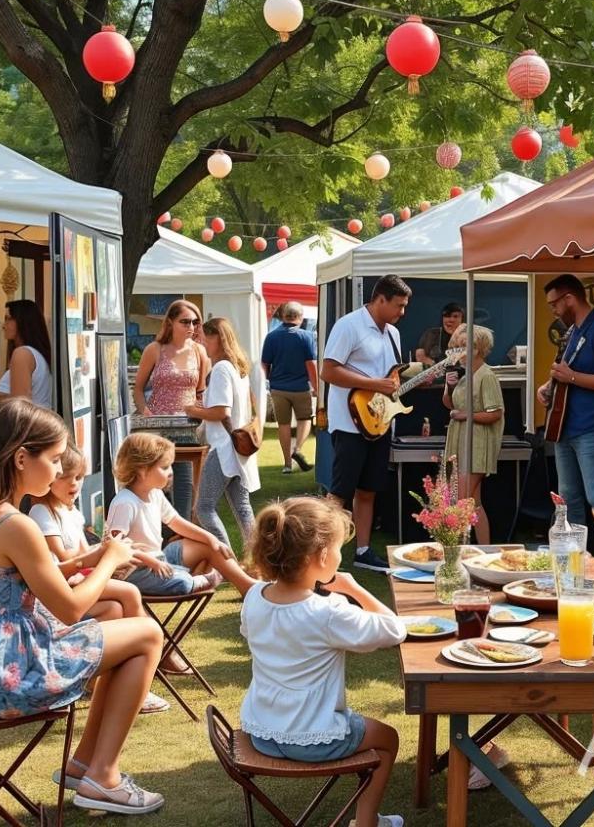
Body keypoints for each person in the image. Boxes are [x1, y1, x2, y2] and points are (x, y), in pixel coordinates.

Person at [0, 399, 165, 815]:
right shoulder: (16, 524)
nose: (60, 471)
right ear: (21, 458)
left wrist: (86, 559)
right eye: (56, 459)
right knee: (148, 634)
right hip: (3, 677)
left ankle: (84, 766)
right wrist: (111, 560)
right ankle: (103, 776)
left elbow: (13, 576)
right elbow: (71, 609)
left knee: (118, 634)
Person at [241, 497, 406, 827]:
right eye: (338, 547)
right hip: (313, 738)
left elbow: (251, 631)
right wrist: (355, 589)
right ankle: (367, 822)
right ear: (321, 556)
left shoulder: (254, 596)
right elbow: (395, 630)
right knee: (388, 739)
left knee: (361, 729)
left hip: (261, 731)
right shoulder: (328, 612)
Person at [27, 443, 170, 714]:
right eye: (65, 477)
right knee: (129, 593)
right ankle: (146, 662)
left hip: (77, 580)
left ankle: (106, 681)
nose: (74, 483)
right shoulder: (41, 512)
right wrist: (105, 553)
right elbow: (65, 556)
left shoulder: (72, 511)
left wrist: (109, 551)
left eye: (79, 477)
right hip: (61, 587)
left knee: (114, 608)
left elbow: (85, 551)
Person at [320, 274, 412, 572]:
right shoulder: (348, 325)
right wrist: (373, 383)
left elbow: (390, 380)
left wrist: (413, 380)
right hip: (349, 423)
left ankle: (362, 551)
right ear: (380, 299)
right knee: (340, 493)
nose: (402, 312)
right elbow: (328, 371)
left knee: (369, 490)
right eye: (398, 305)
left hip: (379, 423)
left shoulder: (393, 334)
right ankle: (320, 553)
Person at [106, 431, 255, 597]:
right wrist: (151, 562)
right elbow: (114, 547)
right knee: (182, 583)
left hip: (160, 559)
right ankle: (194, 580)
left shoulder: (155, 494)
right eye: (164, 467)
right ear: (142, 470)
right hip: (135, 573)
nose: (171, 472)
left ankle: (249, 587)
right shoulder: (125, 503)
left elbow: (175, 522)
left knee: (211, 546)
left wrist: (211, 539)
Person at [535, 274, 594, 538]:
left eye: (554, 304)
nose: (553, 311)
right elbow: (567, 372)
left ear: (569, 299)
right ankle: (575, 558)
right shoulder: (573, 332)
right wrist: (549, 386)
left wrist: (572, 377)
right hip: (565, 427)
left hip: (593, 427)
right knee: (568, 499)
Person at [132, 299, 212, 521]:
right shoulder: (155, 349)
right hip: (157, 426)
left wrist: (200, 414)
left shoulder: (199, 351)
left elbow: (200, 392)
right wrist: (145, 411)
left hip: (187, 428)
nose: (191, 327)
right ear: (170, 322)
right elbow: (138, 389)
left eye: (195, 322)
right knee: (156, 483)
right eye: (185, 321)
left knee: (185, 485)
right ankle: (158, 530)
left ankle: (183, 529)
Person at [185, 317, 260, 552]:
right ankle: (260, 560)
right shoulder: (238, 368)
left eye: (205, 339)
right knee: (243, 508)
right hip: (239, 447)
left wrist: (193, 410)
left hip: (224, 447)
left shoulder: (220, 369)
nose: (203, 344)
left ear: (217, 338)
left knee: (203, 508)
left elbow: (221, 412)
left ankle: (227, 559)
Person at [443, 323, 504, 545]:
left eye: (461, 347)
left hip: (476, 446)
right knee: (473, 503)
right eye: (455, 347)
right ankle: (484, 550)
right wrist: (449, 387)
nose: (456, 352)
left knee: (460, 500)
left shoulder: (486, 376)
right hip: (462, 443)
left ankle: (455, 551)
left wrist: (465, 415)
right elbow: (449, 404)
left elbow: (496, 413)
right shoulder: (464, 376)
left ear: (476, 348)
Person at [260, 300, 317, 474]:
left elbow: (264, 364)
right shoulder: (306, 336)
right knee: (305, 419)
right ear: (300, 317)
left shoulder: (271, 337)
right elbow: (311, 365)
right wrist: (316, 387)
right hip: (300, 387)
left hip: (278, 388)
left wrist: (266, 383)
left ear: (283, 316)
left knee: (283, 425)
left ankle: (287, 465)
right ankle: (297, 449)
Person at [416, 303, 464, 368]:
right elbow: (420, 356)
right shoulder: (431, 334)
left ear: (462, 319)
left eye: (455, 316)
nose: (451, 320)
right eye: (447, 316)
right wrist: (438, 368)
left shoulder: (469, 337)